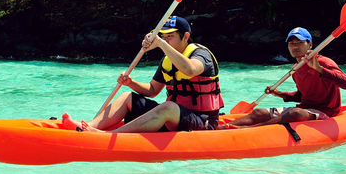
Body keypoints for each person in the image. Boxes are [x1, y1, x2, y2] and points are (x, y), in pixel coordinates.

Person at [61, 16, 224, 133]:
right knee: (127, 97)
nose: (166, 41)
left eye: (170, 37)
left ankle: (109, 136)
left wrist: (160, 43)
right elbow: (153, 90)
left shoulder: (202, 55)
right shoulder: (168, 60)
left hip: (202, 121)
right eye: (164, 36)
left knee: (167, 107)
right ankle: (87, 126)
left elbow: (189, 70)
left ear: (186, 37)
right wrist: (131, 82)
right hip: (175, 118)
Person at [220, 27, 346, 129]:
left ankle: (247, 129)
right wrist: (279, 94)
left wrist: (319, 69)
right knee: (258, 112)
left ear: (310, 44)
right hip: (305, 108)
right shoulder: (296, 68)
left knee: (295, 114)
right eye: (291, 43)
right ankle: (223, 127)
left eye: (300, 43)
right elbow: (303, 96)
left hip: (326, 112)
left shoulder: (323, 62)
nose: (295, 46)